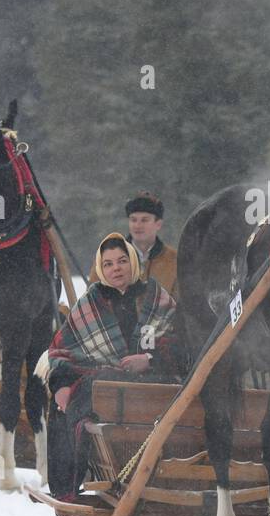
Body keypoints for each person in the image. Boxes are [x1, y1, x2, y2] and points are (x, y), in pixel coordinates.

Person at [40, 232, 180, 500]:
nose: (116, 268)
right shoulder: (89, 304)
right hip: (103, 388)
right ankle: (75, 485)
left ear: (133, 264)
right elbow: (59, 351)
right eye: (108, 264)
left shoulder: (156, 297)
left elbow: (182, 345)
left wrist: (149, 360)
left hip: (153, 388)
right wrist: (61, 385)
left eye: (122, 261)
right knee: (73, 408)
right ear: (100, 269)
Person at [87, 191, 178, 296]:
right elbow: (92, 300)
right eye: (133, 220)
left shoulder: (174, 260)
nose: (138, 225)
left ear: (158, 224)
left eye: (144, 220)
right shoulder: (106, 257)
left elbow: (182, 305)